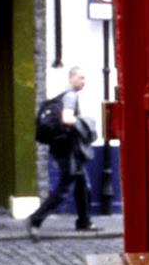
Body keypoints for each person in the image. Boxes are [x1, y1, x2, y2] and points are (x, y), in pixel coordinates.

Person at [27, 66, 97, 233]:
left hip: (63, 147)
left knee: (82, 185)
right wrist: (85, 122)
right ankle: (35, 219)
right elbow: (67, 118)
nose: (83, 81)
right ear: (71, 78)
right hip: (68, 149)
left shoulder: (61, 95)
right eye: (81, 77)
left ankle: (84, 221)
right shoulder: (70, 96)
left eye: (85, 78)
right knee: (64, 187)